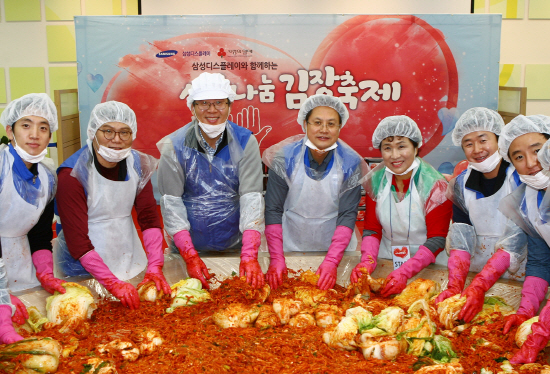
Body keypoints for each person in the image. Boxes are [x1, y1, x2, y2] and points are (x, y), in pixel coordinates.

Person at [55, 101, 170, 310]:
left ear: (132, 134)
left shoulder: (138, 164)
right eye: (107, 131)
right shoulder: (72, 174)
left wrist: (155, 266)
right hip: (82, 266)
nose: (116, 140)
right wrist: (111, 282)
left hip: (126, 252)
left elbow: (149, 218)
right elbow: (77, 241)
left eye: (124, 132)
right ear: (93, 132)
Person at [157, 72, 265, 290]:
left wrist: (249, 254)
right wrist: (189, 256)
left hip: (235, 245)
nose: (212, 110)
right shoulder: (174, 145)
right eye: (204, 103)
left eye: (219, 103)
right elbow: (171, 203)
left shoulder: (245, 141)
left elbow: (251, 196)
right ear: (192, 107)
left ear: (230, 106)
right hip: (189, 246)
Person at [262, 95, 369, 290]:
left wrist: (331, 261)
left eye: (331, 124)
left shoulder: (350, 162)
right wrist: (277, 257)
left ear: (339, 127)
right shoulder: (285, 157)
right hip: (290, 246)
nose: (324, 130)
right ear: (305, 124)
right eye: (317, 123)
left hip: (336, 248)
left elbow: (347, 215)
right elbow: (273, 210)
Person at [434, 108, 526, 307]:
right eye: (468, 143)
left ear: (498, 140)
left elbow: (515, 241)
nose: (476, 149)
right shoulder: (460, 184)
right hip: (475, 274)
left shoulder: (519, 179)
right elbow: (461, 238)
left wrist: (480, 285)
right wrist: (455, 285)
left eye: (483, 140)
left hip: (518, 278)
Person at [352, 115, 453, 297]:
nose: (395, 155)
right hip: (387, 262)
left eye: (401, 146)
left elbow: (437, 239)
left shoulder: (435, 184)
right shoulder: (376, 179)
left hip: (428, 268)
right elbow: (372, 230)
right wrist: (367, 262)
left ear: (416, 147)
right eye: (387, 148)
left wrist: (405, 272)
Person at [0, 93, 64, 343]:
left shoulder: (48, 177)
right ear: (10, 130)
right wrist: (2, 296)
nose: (34, 134)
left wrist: (45, 272)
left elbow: (39, 233)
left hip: (22, 264)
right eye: (26, 125)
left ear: (50, 135)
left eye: (43, 127)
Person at [493, 115, 550, 364]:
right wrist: (526, 311)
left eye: (537, 150)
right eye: (518, 157)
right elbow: (540, 261)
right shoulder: (528, 200)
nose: (531, 163)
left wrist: (541, 332)